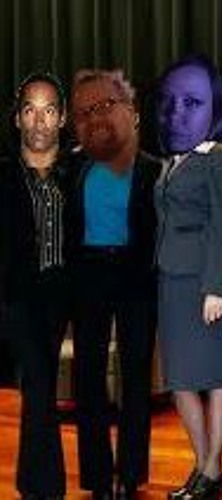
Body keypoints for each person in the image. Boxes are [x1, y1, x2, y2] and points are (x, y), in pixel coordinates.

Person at [67, 69, 160, 500]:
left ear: (132, 114)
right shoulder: (74, 166)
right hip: (89, 276)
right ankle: (98, 478)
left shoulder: (152, 169)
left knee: (135, 378)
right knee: (88, 377)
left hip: (136, 277)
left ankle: (130, 475)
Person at [155, 54, 222, 500]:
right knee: (181, 381)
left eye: (193, 102)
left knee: (217, 377)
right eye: (172, 102)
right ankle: (202, 466)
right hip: (171, 282)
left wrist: (216, 288)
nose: (180, 112)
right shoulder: (174, 158)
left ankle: (211, 471)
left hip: (206, 285)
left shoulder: (220, 157)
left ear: (214, 107)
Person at [0, 73, 70, 500]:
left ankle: (30, 482)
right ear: (18, 118)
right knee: (40, 382)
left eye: (48, 110)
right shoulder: (5, 175)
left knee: (36, 389)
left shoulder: (78, 172)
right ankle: (48, 489)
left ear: (61, 117)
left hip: (60, 296)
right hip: (17, 297)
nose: (39, 120)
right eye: (30, 109)